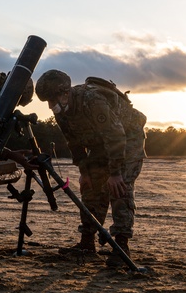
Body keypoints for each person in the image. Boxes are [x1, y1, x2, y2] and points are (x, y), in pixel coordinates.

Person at [35, 70, 147, 266]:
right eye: (48, 102)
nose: (51, 106)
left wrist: (115, 174)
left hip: (127, 140)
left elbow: (115, 135)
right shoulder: (62, 112)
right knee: (90, 188)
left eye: (53, 100)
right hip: (101, 144)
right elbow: (74, 143)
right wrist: (84, 172)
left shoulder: (92, 100)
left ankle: (121, 246)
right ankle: (87, 244)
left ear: (65, 93)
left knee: (120, 188)